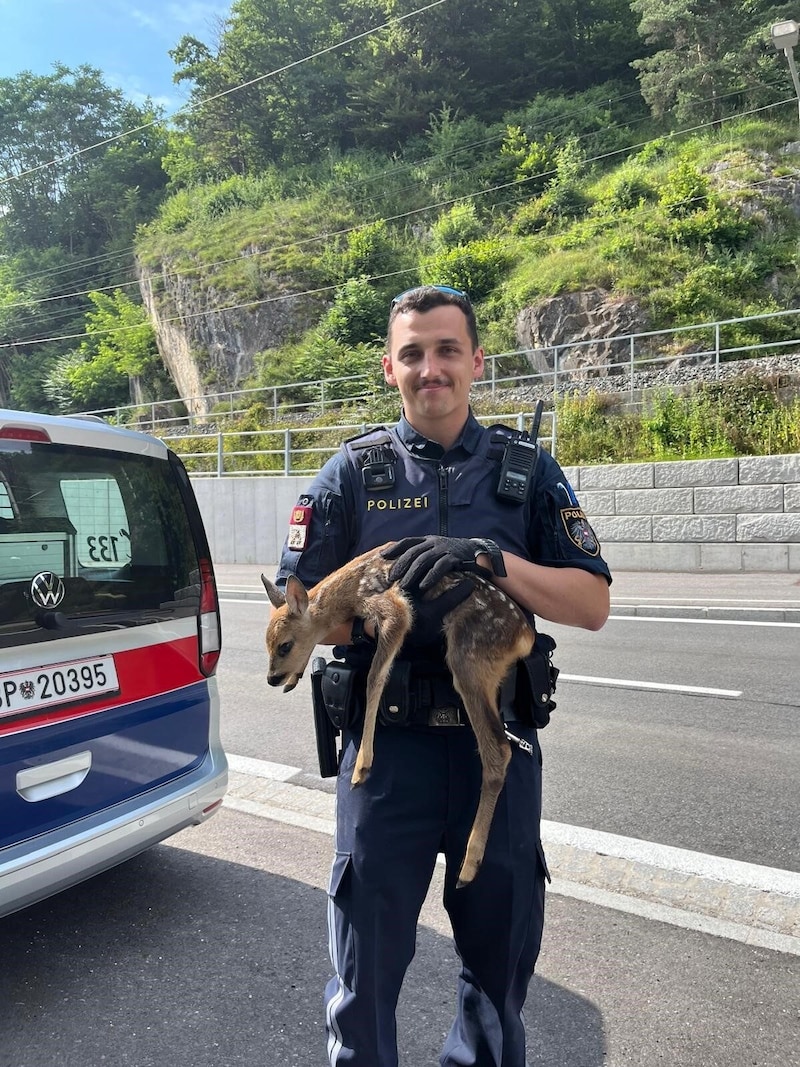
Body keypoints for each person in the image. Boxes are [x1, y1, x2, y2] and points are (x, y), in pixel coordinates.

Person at [273, 284, 611, 1066]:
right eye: (415, 353)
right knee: (363, 990)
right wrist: (397, 610)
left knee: (496, 990)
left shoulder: (526, 472)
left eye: (447, 350)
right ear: (390, 367)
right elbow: (302, 611)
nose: (432, 368)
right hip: (386, 762)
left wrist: (495, 562)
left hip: (495, 752)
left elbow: (591, 602)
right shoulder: (350, 474)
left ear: (475, 361)